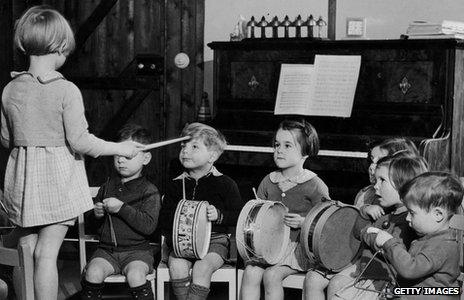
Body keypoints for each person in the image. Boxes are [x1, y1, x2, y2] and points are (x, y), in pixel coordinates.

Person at [0, 6, 143, 300]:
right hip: (57, 183)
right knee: (46, 254)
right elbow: (81, 142)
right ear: (60, 47)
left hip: (23, 185)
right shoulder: (66, 90)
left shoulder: (10, 88)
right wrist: (122, 147)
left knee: (28, 253)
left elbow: (6, 139)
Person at [304, 153, 428, 300]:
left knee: (338, 289)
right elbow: (359, 231)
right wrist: (364, 212)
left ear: (403, 185)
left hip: (384, 279)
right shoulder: (385, 210)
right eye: (376, 180)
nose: (375, 186)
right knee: (333, 284)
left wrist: (369, 234)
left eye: (382, 181)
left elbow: (386, 247)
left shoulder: (407, 220)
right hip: (368, 271)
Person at [240, 119, 330, 300]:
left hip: (297, 250)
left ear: (305, 153)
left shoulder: (314, 184)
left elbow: (327, 221)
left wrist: (304, 222)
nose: (279, 150)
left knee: (271, 275)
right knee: (250, 271)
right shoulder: (268, 181)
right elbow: (257, 214)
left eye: (288, 145)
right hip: (268, 247)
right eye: (277, 144)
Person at [160, 122, 242, 300]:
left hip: (215, 241)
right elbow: (164, 219)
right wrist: (177, 230)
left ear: (212, 155)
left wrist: (219, 215)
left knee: (202, 268)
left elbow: (238, 215)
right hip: (180, 243)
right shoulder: (175, 184)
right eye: (183, 146)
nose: (185, 151)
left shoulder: (226, 183)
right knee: (177, 266)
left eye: (194, 146)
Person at [81, 124, 160, 300]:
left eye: (128, 155)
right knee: (92, 272)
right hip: (106, 251)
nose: (121, 160)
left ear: (146, 158)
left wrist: (122, 208)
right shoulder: (107, 186)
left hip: (138, 252)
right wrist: (97, 214)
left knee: (136, 275)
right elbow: (91, 225)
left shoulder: (149, 190)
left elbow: (149, 227)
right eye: (117, 154)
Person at [366, 172, 463, 300]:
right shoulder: (432, 237)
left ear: (438, 215)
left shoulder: (441, 246)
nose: (407, 217)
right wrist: (401, 291)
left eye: (412, 213)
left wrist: (389, 243)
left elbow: (410, 269)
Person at [354, 137, 419, 208]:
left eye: (381, 160)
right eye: (372, 159)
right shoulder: (366, 192)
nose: (372, 166)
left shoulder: (385, 199)